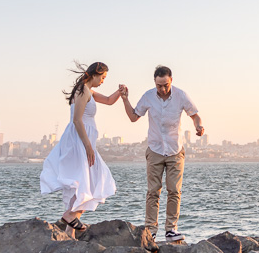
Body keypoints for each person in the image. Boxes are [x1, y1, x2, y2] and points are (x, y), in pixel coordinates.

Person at [120, 65, 203, 242]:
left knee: (174, 190)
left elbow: (194, 115)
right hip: (155, 149)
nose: (163, 89)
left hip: (175, 150)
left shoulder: (181, 95)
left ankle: (171, 229)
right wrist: (125, 99)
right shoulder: (148, 96)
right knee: (153, 191)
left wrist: (198, 126)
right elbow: (134, 117)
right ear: (155, 83)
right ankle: (151, 229)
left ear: (171, 80)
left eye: (165, 85)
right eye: (159, 85)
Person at [40, 61, 122, 237]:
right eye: (103, 77)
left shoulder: (88, 91)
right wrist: (88, 146)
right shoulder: (82, 90)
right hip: (79, 141)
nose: (103, 81)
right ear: (95, 74)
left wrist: (120, 93)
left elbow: (108, 100)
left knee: (86, 182)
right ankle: (69, 215)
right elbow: (77, 120)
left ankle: (70, 231)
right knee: (91, 181)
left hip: (84, 141)